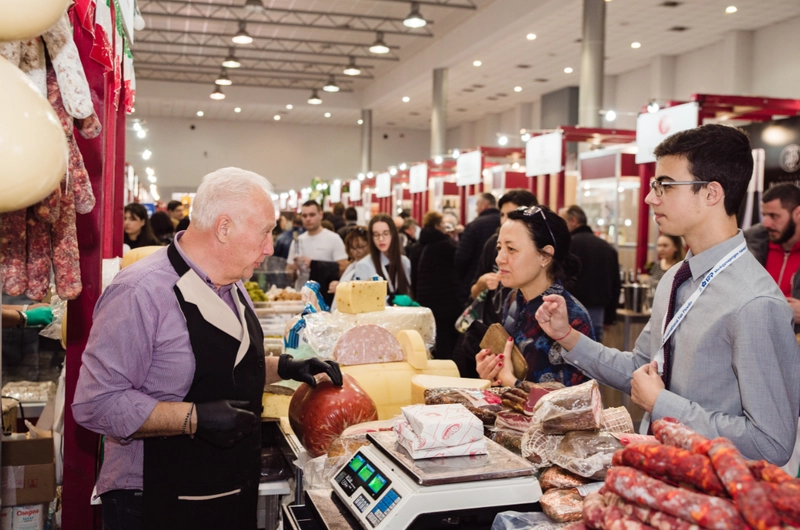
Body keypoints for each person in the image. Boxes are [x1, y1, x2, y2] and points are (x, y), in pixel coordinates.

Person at [73, 168, 343, 530]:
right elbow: (96, 403)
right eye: (265, 231)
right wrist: (193, 419)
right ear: (224, 227)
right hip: (155, 499)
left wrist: (287, 366)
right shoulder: (139, 291)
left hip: (227, 490)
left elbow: (222, 365)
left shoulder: (232, 283)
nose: (269, 246)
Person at [535, 124, 800, 464]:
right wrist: (568, 337)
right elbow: (640, 368)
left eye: (665, 186)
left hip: (712, 502)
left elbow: (770, 444)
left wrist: (663, 405)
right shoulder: (676, 277)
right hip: (661, 476)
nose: (650, 197)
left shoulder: (754, 303)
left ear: (711, 194)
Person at [475, 206, 594, 387]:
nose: (499, 258)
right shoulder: (514, 299)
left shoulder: (569, 316)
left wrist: (510, 382)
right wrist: (493, 373)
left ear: (545, 256)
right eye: (499, 248)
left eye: (511, 249)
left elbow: (572, 405)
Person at [744, 183, 800, 332]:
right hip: (757, 339)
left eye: (774, 216)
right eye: (765, 215)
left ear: (798, 213)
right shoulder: (749, 244)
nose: (766, 223)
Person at [562, 205, 621, 342]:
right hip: (597, 314)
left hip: (567, 312)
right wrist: (609, 318)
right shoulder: (607, 248)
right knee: (592, 358)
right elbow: (615, 285)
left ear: (573, 221)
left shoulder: (566, 246)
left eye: (563, 221)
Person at [413, 211, 460, 359]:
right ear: (437, 225)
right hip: (444, 300)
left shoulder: (417, 246)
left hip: (423, 299)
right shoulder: (445, 246)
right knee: (445, 339)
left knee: (429, 337)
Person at [286, 201, 348, 290]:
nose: (308, 219)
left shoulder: (333, 239)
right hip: (301, 294)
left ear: (321, 215)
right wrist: (294, 269)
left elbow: (343, 268)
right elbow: (289, 273)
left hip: (324, 295)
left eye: (312, 215)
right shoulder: (297, 241)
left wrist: (314, 264)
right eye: (304, 216)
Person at [352, 214, 412, 302]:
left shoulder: (404, 262)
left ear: (393, 234)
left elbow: (408, 292)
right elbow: (364, 300)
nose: (381, 239)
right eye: (376, 235)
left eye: (385, 233)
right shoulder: (364, 265)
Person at [455, 193, 501, 303]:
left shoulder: (474, 226)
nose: (476, 209)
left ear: (484, 205)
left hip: (475, 279)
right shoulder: (505, 225)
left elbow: (461, 258)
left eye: (477, 205)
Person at [328, 227, 370, 295]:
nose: (355, 251)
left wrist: (342, 288)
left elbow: (367, 290)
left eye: (360, 247)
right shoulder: (353, 265)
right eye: (352, 248)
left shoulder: (372, 265)